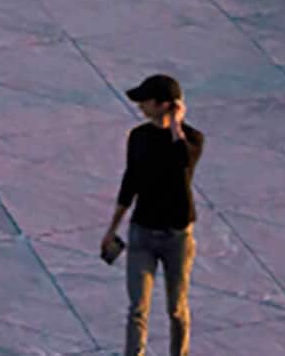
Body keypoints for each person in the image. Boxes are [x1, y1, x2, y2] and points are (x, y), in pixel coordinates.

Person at [101, 72, 204, 356]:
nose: (140, 107)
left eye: (145, 101)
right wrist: (112, 228)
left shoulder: (192, 140)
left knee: (176, 308)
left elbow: (183, 163)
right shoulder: (139, 137)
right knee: (137, 308)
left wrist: (176, 127)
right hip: (143, 231)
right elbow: (130, 181)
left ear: (163, 105)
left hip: (177, 237)